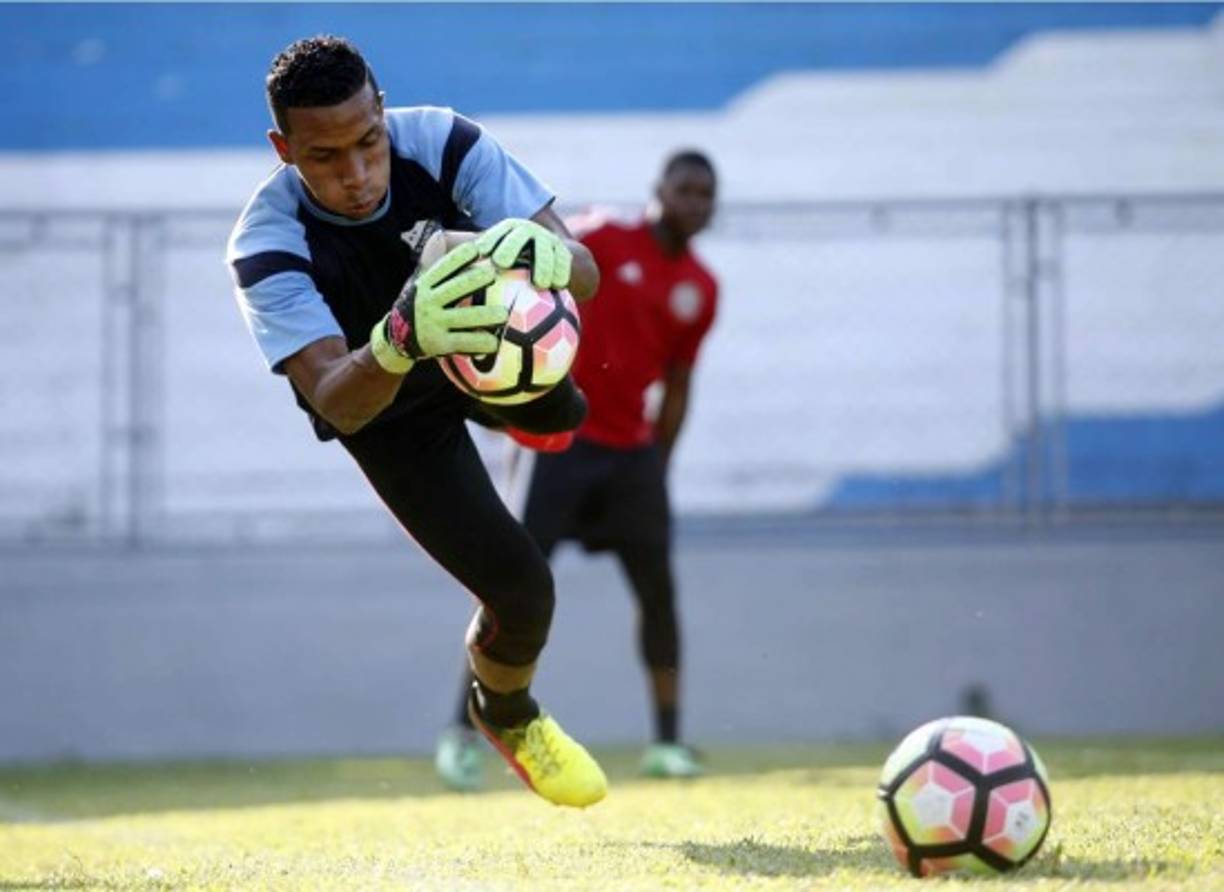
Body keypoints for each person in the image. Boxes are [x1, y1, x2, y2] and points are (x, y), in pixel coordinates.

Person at [225, 35, 607, 807]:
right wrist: (401, 338)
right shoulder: (265, 244)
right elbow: (335, 396)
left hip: (479, 348)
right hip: (387, 405)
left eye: (367, 142)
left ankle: (520, 412)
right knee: (525, 592)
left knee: (566, 407)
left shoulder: (446, 141)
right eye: (325, 156)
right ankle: (508, 716)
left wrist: (554, 256)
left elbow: (586, 275)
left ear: (383, 112)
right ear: (282, 148)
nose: (357, 173)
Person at [437, 150, 719, 789]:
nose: (696, 203)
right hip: (556, 444)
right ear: (660, 190)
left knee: (659, 597)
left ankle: (668, 745)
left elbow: (678, 385)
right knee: (508, 590)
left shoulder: (700, 288)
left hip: (631, 458)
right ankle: (462, 734)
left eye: (707, 195)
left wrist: (656, 468)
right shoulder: (597, 240)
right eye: (686, 189)